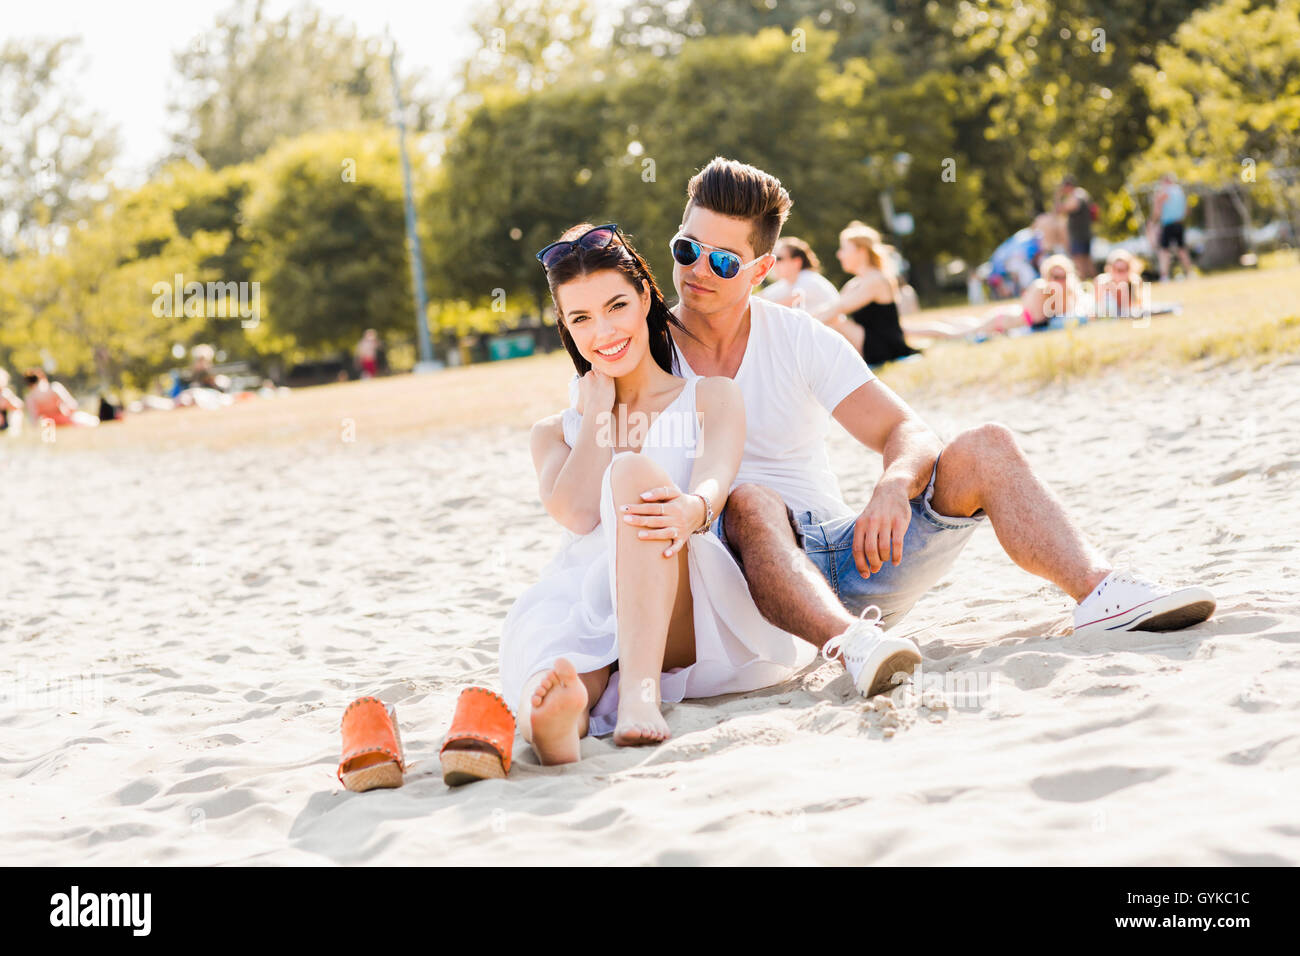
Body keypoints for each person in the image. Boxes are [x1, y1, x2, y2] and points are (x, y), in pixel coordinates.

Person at [664, 157, 1214, 697]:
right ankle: (850, 645)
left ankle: (1100, 592)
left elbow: (906, 429)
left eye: (724, 262)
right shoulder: (645, 351)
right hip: (748, 581)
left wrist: (893, 484)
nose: (697, 270)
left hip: (850, 560)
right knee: (748, 499)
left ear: (761, 271)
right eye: (686, 249)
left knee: (986, 446)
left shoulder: (796, 336)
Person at [491, 222, 815, 765]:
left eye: (616, 305)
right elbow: (573, 513)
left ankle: (641, 696)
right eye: (581, 318)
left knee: (632, 476)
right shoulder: (554, 432)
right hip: (593, 605)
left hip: (685, 599)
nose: (603, 330)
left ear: (644, 295)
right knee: (569, 659)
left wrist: (693, 508)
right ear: (566, 329)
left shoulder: (710, 397)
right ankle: (558, 722)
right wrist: (598, 412)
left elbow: (715, 475)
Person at [804, 221, 921, 366]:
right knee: (832, 321)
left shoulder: (875, 280)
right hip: (870, 342)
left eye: (844, 249)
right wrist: (800, 317)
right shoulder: (855, 283)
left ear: (861, 251)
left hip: (885, 347)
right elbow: (830, 307)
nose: (839, 254)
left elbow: (836, 309)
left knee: (835, 322)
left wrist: (803, 325)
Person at [759, 237, 839, 315]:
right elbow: (758, 299)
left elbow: (776, 306)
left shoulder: (808, 279)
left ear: (797, 262)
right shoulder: (787, 282)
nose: (773, 263)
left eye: (778, 258)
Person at [1152, 173, 1195, 282]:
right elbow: (1187, 210)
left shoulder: (1164, 192)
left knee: (1164, 251)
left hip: (1168, 224)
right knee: (1182, 249)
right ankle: (1190, 273)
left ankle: (1164, 276)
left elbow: (1157, 211)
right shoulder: (1180, 192)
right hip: (1179, 223)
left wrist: (1153, 221)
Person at [22, 368, 98, 427]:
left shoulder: (30, 397)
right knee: (91, 421)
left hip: (48, 424)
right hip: (63, 419)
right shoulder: (54, 387)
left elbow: (33, 419)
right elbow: (72, 405)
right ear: (42, 377)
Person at [1056, 175, 1095, 279]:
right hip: (1085, 232)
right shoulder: (1082, 193)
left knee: (1079, 259)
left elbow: (1060, 210)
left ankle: (1083, 281)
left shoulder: (1076, 195)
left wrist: (1058, 197)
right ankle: (1091, 280)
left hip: (1079, 234)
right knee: (1087, 259)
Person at [1094, 249, 1146, 319]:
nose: (1122, 274)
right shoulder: (1102, 282)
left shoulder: (1135, 282)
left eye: (1126, 269)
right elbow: (1097, 310)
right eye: (1118, 270)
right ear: (1111, 269)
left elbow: (1136, 309)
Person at [0, 369, 23, 435]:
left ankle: (14, 431)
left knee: (16, 413)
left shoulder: (6, 393)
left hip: (5, 421)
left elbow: (19, 405)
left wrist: (9, 403)